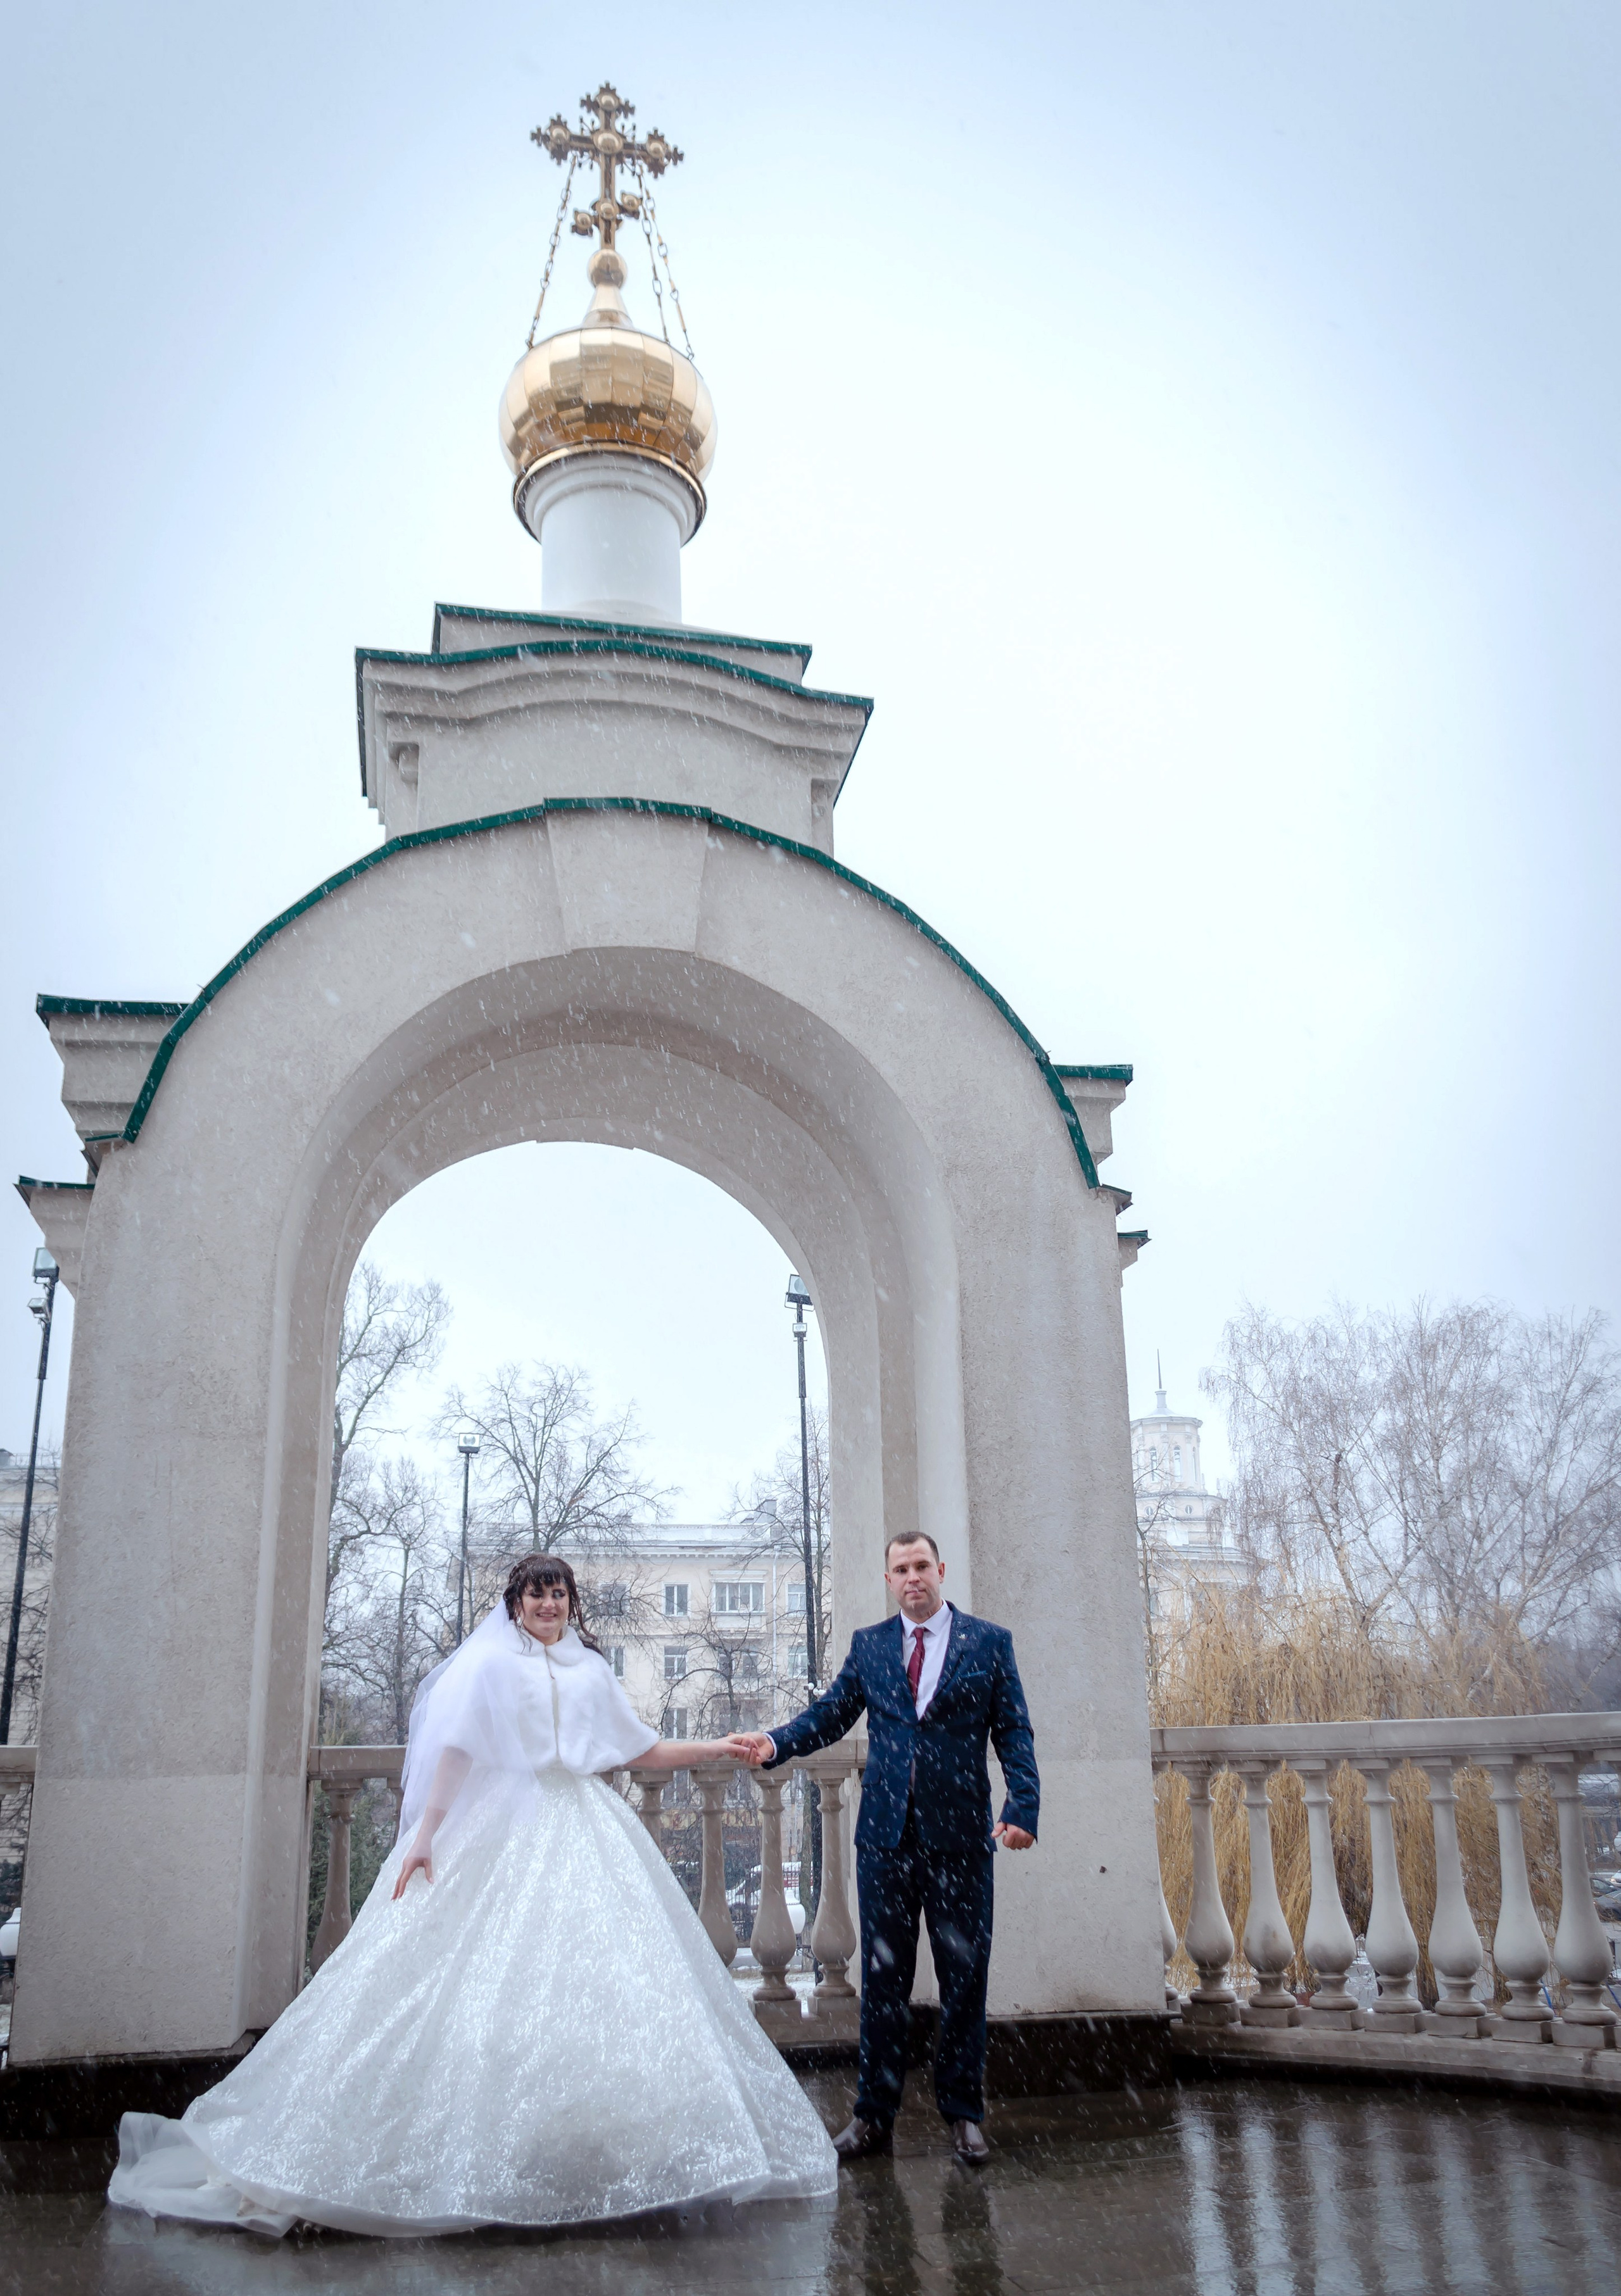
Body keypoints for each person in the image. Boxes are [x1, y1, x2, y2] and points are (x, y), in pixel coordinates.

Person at [108, 1553, 837, 2237]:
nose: (548, 1605)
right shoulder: (489, 1665)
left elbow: (639, 1749)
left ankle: (580, 2150)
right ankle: (470, 2147)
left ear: (570, 1604)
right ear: (515, 1605)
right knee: (470, 1980)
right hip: (500, 1826)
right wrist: (426, 1833)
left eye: (558, 1595)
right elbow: (454, 1749)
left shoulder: (588, 1669)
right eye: (535, 1594)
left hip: (585, 1824)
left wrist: (717, 1749)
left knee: (595, 1987)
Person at [736, 1533, 1038, 2164]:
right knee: (881, 1984)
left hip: (960, 1841)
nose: (912, 1578)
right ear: (888, 1579)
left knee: (963, 1982)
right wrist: (775, 1743)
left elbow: (1013, 1730)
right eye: (899, 1569)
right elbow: (832, 1713)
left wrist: (1022, 1808)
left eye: (921, 1566)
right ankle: (873, 2118)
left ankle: (964, 2116)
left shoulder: (988, 1642)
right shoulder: (870, 1646)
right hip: (885, 1842)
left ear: (940, 1571)